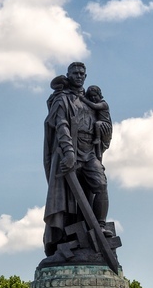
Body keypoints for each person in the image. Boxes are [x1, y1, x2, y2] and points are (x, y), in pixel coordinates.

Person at [42, 61, 115, 265]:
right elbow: (61, 125)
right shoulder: (61, 99)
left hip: (90, 151)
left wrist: (104, 129)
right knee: (67, 201)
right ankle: (65, 243)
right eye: (75, 72)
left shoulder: (91, 101)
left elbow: (106, 125)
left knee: (100, 185)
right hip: (70, 153)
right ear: (69, 75)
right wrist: (68, 151)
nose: (79, 75)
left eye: (82, 72)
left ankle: (100, 226)